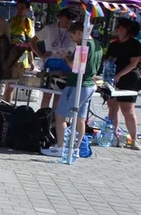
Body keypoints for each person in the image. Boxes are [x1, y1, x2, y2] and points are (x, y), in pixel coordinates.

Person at [42, 22, 102, 158]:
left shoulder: (83, 45)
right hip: (88, 85)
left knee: (60, 115)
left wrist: (65, 56)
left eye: (72, 36)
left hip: (77, 85)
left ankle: (61, 147)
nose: (72, 39)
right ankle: (76, 148)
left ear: (80, 33)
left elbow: (76, 66)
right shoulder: (97, 45)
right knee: (80, 118)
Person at [105, 17, 141, 149]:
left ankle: (134, 139)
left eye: (120, 28)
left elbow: (134, 63)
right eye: (117, 28)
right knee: (112, 107)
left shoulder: (135, 44)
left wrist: (120, 74)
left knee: (128, 109)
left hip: (129, 78)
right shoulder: (113, 44)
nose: (117, 30)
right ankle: (112, 135)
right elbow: (108, 60)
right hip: (112, 78)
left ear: (127, 30)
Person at [33, 8, 76, 109]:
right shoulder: (49, 28)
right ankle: (43, 116)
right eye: (67, 18)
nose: (69, 21)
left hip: (65, 64)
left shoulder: (73, 31)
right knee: (47, 94)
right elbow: (32, 41)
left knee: (59, 94)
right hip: (50, 63)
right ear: (60, 17)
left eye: (71, 19)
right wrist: (40, 55)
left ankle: (54, 119)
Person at [1, 0, 35, 102]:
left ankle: (7, 105)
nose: (19, 10)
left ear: (27, 9)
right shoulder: (11, 22)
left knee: (13, 86)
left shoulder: (29, 23)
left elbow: (30, 43)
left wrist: (32, 61)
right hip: (12, 56)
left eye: (22, 8)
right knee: (10, 85)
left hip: (23, 58)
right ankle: (5, 106)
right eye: (18, 8)